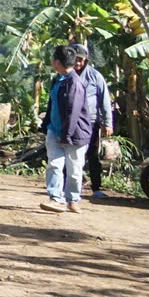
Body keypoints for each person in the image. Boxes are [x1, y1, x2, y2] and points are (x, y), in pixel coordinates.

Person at [41, 46, 96, 214]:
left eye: (53, 59)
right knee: (54, 165)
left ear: (57, 62)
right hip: (55, 131)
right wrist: (46, 124)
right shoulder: (58, 80)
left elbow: (74, 112)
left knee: (74, 169)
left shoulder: (75, 83)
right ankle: (56, 198)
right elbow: (52, 104)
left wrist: (67, 135)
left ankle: (72, 199)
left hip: (75, 134)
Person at [69, 42, 115, 198]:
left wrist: (108, 123)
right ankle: (73, 185)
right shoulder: (65, 75)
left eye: (80, 60)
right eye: (75, 59)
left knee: (93, 156)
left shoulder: (95, 76)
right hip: (71, 123)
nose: (77, 63)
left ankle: (96, 188)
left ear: (85, 61)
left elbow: (105, 101)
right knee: (72, 155)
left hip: (91, 123)